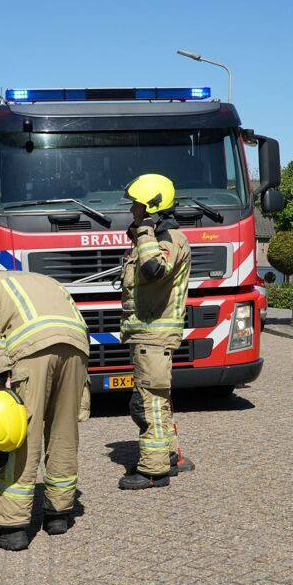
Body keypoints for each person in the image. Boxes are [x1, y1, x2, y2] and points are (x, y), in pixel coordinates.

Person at [0, 271, 89, 551]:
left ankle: (11, 528)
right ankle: (58, 514)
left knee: (24, 435)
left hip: (33, 350)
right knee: (64, 432)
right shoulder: (49, 280)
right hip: (77, 348)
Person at [117, 174, 192, 491]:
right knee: (155, 401)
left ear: (148, 206)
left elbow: (154, 271)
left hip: (154, 336)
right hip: (147, 336)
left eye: (136, 203)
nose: (131, 209)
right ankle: (169, 457)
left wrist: (144, 233)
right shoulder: (156, 237)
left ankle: (154, 470)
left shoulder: (167, 240)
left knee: (149, 404)